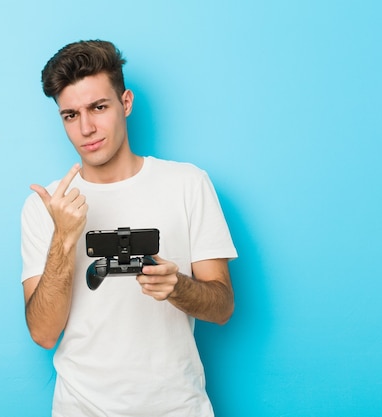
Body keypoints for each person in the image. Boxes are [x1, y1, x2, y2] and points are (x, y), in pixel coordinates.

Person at [20, 39, 238, 417]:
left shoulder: (187, 183)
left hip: (177, 407)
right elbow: (43, 334)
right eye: (70, 115)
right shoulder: (47, 205)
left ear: (126, 103)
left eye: (98, 107)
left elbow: (222, 307)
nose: (86, 128)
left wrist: (178, 287)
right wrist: (64, 239)